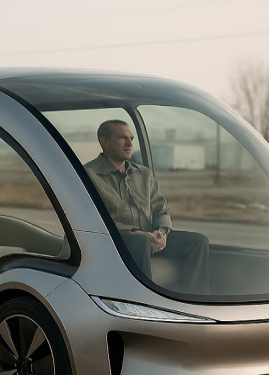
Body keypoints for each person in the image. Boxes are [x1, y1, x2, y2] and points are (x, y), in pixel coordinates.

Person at [84, 119, 210, 293]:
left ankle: (194, 300)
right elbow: (90, 219)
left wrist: (162, 232)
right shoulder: (88, 175)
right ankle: (145, 299)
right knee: (140, 241)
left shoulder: (144, 174)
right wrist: (134, 233)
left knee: (198, 241)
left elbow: (161, 208)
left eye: (131, 138)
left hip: (148, 236)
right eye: (122, 138)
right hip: (117, 241)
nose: (129, 144)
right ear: (104, 141)